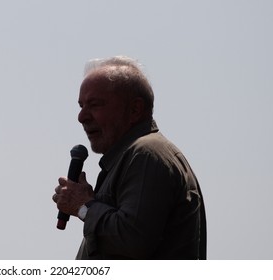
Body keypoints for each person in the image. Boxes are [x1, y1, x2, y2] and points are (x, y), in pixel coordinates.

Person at [52, 56, 206, 259]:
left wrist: (83, 205)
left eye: (95, 105)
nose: (82, 117)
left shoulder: (147, 154)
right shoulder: (133, 157)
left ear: (135, 109)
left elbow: (131, 240)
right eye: (81, 106)